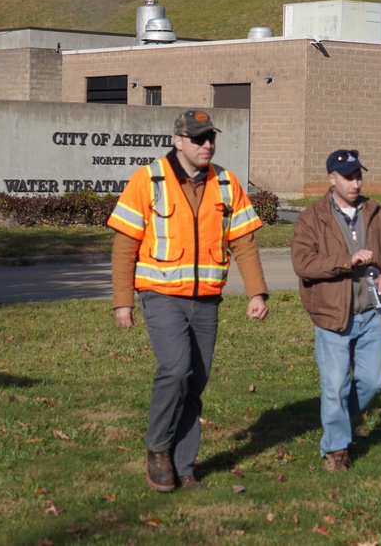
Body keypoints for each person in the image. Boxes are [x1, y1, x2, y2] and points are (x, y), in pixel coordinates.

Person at [108, 109, 270, 492]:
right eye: (198, 139)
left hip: (207, 301)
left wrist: (257, 292)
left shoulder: (227, 183)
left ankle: (184, 466)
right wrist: (122, 301)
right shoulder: (147, 181)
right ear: (177, 141)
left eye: (210, 137)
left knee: (195, 381)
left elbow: (244, 242)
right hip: (160, 296)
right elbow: (124, 246)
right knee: (176, 369)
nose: (207, 145)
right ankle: (158, 449)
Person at [290, 149, 381, 472]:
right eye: (348, 177)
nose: (355, 183)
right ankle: (336, 448)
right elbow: (303, 264)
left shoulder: (376, 212)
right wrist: (347, 261)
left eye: (358, 176)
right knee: (335, 386)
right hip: (331, 316)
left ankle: (339, 420)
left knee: (373, 383)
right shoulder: (312, 218)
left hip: (370, 312)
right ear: (332, 179)